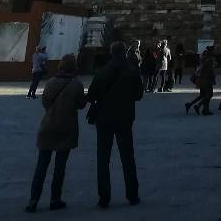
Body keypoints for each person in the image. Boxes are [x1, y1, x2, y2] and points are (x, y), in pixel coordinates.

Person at [24, 53, 87, 213]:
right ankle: (55, 199)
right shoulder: (77, 85)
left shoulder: (50, 82)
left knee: (41, 166)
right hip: (66, 127)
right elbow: (81, 105)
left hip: (48, 126)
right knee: (60, 167)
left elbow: (45, 103)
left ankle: (33, 200)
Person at [86, 40, 144, 207]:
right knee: (128, 157)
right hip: (125, 119)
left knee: (103, 159)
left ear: (111, 53)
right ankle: (133, 195)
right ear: (125, 53)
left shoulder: (102, 72)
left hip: (104, 119)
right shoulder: (133, 72)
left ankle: (104, 197)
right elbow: (138, 96)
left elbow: (91, 96)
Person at [186, 47, 216, 115]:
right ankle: (198, 106)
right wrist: (213, 79)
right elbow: (209, 71)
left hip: (201, 79)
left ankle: (192, 105)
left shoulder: (203, 59)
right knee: (209, 95)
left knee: (203, 95)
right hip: (207, 80)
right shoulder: (209, 60)